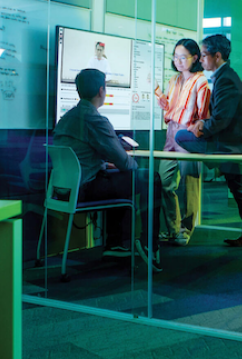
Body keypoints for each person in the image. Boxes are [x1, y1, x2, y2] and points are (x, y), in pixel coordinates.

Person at [53, 69, 163, 272]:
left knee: (117, 178)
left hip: (63, 190)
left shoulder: (66, 118)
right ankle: (150, 245)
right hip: (85, 189)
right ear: (101, 91)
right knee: (151, 178)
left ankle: (116, 244)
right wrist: (127, 162)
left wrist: (106, 164)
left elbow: (81, 157)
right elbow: (125, 163)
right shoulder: (95, 120)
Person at [175, 34, 242, 247]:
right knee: (238, 187)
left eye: (204, 55)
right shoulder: (226, 77)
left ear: (217, 56)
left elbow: (221, 119)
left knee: (181, 136)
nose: (201, 60)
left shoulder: (226, 80)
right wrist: (203, 124)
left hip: (235, 145)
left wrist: (201, 127)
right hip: (237, 142)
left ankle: (215, 161)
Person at [156, 39, 210, 246]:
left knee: (189, 184)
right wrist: (163, 102)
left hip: (188, 134)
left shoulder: (200, 81)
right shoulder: (174, 80)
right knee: (164, 181)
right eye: (175, 57)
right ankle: (172, 228)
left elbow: (204, 115)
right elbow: (171, 107)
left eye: (183, 57)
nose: (178, 61)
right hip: (171, 132)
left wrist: (198, 131)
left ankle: (185, 229)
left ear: (195, 58)